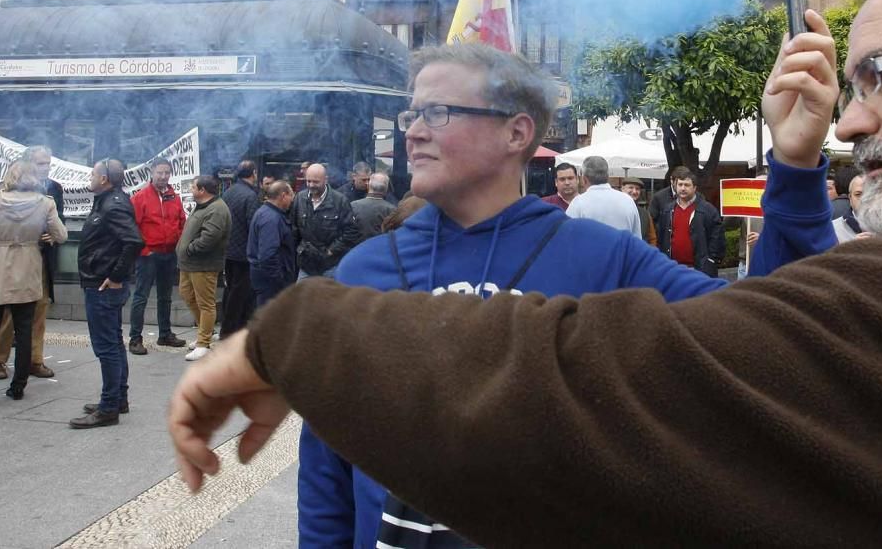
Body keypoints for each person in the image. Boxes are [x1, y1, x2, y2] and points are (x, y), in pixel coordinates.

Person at [169, 0, 882, 545]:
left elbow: (748, 356)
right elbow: (332, 470)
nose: (853, 119)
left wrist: (300, 335)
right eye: (410, 113)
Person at [291, 44, 749, 549]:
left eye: (438, 112)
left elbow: (759, 332)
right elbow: (326, 468)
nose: (414, 131)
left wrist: (794, 173)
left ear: (516, 132)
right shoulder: (363, 270)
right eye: (412, 114)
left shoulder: (601, 257)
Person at [0, 162, 67, 407]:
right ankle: (18, 387)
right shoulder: (45, 203)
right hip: (28, 268)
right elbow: (61, 235)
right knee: (25, 328)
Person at [74, 159, 142, 429]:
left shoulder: (113, 204)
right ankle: (117, 399)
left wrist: (115, 277)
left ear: (104, 179)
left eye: (93, 174)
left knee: (107, 347)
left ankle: (109, 407)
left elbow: (134, 241)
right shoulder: (106, 200)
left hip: (102, 286)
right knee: (113, 343)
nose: (89, 177)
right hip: (99, 283)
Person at [128, 158, 187, 354]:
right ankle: (135, 338)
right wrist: (144, 250)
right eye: (160, 172)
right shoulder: (140, 197)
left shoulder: (174, 197)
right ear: (152, 172)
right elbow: (132, 227)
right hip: (148, 255)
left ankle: (165, 334)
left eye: (167, 173)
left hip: (168, 253)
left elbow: (181, 221)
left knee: (166, 297)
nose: (163, 176)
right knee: (141, 297)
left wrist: (176, 241)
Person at [176, 175, 231, 362]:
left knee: (205, 302)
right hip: (188, 264)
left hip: (203, 265)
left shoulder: (217, 209)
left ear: (202, 191)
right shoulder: (203, 206)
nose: (190, 190)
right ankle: (204, 332)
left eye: (193, 187)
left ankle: (203, 343)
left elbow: (209, 238)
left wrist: (190, 249)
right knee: (187, 295)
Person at [291, 163, 360, 278]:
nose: (311, 185)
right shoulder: (299, 198)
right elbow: (294, 229)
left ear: (326, 180)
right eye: (308, 181)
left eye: (315, 182)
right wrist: (300, 249)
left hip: (331, 266)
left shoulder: (340, 201)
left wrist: (331, 251)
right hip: (306, 266)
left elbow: (351, 232)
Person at [654, 168, 725, 276]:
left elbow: (717, 239)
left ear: (694, 188)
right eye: (680, 185)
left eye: (687, 185)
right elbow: (661, 238)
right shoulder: (667, 210)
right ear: (675, 186)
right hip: (673, 269)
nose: (683, 188)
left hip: (699, 270)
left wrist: (710, 261)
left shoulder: (707, 210)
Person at [220, 160, 260, 338]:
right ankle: (232, 332)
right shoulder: (250, 196)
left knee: (231, 291)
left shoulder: (228, 192)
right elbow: (253, 226)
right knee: (240, 294)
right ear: (253, 174)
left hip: (229, 252)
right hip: (244, 254)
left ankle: (228, 329)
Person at [247, 180, 297, 308]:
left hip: (266, 278)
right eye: (291, 195)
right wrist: (280, 280)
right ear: (283, 195)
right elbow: (267, 255)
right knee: (271, 319)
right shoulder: (271, 219)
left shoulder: (266, 212)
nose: (292, 200)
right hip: (271, 282)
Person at [565, 156, 641, 236]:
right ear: (607, 176)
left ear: (584, 179)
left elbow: (566, 237)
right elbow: (637, 239)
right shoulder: (628, 201)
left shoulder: (578, 203)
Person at [350, 173, 395, 240]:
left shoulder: (353, 206)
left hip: (357, 248)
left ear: (369, 186)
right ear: (386, 188)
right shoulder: (392, 210)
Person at [831, 173, 871, 243]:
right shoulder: (833, 229)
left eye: (870, 194)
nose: (864, 199)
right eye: (858, 194)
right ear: (850, 197)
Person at [620, 177, 656, 246]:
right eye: (631, 187)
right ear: (622, 189)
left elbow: (652, 238)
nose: (634, 191)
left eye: (637, 189)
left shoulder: (645, 214)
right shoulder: (615, 209)